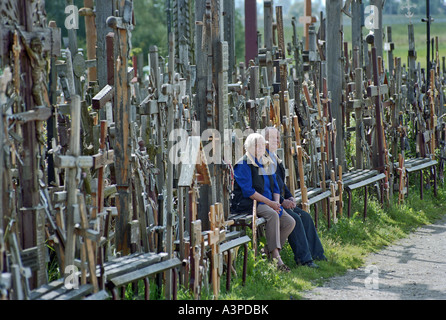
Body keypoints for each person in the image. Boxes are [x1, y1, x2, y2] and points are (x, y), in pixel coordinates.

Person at [231, 133, 295, 272]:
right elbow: (249, 192)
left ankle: (266, 251)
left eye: (261, 145)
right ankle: (277, 259)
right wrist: (271, 204)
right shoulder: (243, 164)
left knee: (290, 222)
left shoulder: (265, 162)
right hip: (249, 204)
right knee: (272, 215)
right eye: (256, 145)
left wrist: (277, 203)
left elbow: (276, 186)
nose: (260, 148)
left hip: (269, 203)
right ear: (248, 147)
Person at [264, 127, 327, 268]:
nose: (278, 141)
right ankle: (304, 260)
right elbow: (266, 187)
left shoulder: (275, 157)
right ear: (265, 141)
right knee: (296, 219)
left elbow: (281, 184)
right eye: (274, 138)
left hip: (280, 201)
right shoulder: (264, 159)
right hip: (271, 203)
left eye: (278, 138)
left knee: (305, 216)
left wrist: (290, 197)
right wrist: (281, 201)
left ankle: (317, 254)